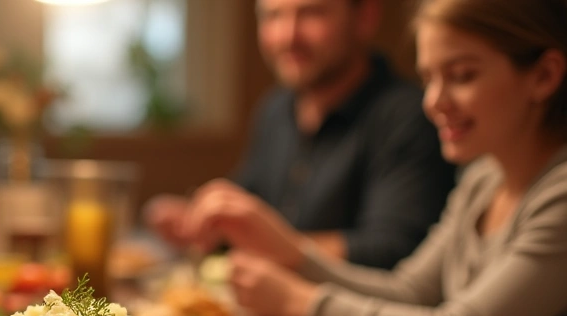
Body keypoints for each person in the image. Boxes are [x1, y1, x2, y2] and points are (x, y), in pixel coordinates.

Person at [180, 0, 567, 316]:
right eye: (429, 77)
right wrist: (295, 255)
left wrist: (298, 299)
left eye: (462, 76)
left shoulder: (559, 193)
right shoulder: (483, 181)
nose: (433, 101)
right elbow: (408, 291)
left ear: (543, 76)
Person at [146, 0, 456, 269]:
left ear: (365, 17)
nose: (288, 36)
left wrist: (273, 244)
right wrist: (199, 222)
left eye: (312, 13)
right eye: (273, 15)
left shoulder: (412, 115)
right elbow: (247, 207)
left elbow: (395, 251)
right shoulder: (275, 110)